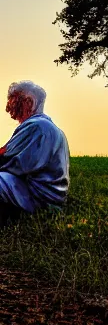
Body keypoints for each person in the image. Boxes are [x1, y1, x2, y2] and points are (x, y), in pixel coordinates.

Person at [0, 81, 70, 225]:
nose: (9, 109)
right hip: (47, 198)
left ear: (29, 101)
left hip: (39, 200)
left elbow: (9, 161)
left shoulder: (37, 126)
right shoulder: (48, 127)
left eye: (14, 102)